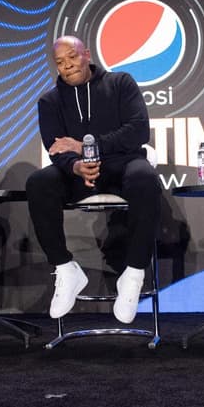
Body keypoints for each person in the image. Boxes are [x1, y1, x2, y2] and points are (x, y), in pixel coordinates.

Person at [25, 35, 160, 324]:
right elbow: (55, 148)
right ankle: (65, 268)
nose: (67, 66)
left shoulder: (120, 83)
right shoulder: (49, 101)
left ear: (86, 54)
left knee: (145, 178)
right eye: (60, 62)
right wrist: (75, 166)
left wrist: (86, 145)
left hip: (122, 165)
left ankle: (134, 273)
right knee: (39, 182)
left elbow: (138, 131)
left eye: (72, 57)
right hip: (78, 174)